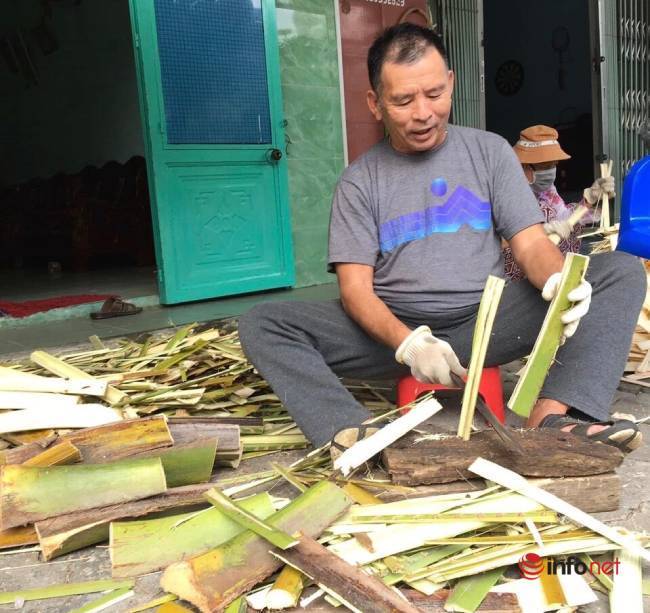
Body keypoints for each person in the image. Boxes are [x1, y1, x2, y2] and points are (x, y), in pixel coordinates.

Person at [239, 23, 646, 454]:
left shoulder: (490, 153)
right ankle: (353, 434)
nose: (423, 113)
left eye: (434, 94)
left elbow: (530, 244)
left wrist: (557, 280)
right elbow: (355, 290)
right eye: (403, 100)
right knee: (263, 322)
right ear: (375, 103)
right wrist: (407, 344)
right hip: (391, 337)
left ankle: (557, 417)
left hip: (488, 324)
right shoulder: (359, 182)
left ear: (451, 83)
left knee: (618, 272)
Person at [504, 125, 615, 280]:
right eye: (544, 166)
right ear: (523, 166)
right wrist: (538, 233)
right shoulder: (504, 191)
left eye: (553, 165)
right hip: (518, 275)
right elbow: (494, 240)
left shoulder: (547, 189)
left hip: (553, 266)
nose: (550, 172)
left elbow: (564, 217)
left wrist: (590, 199)